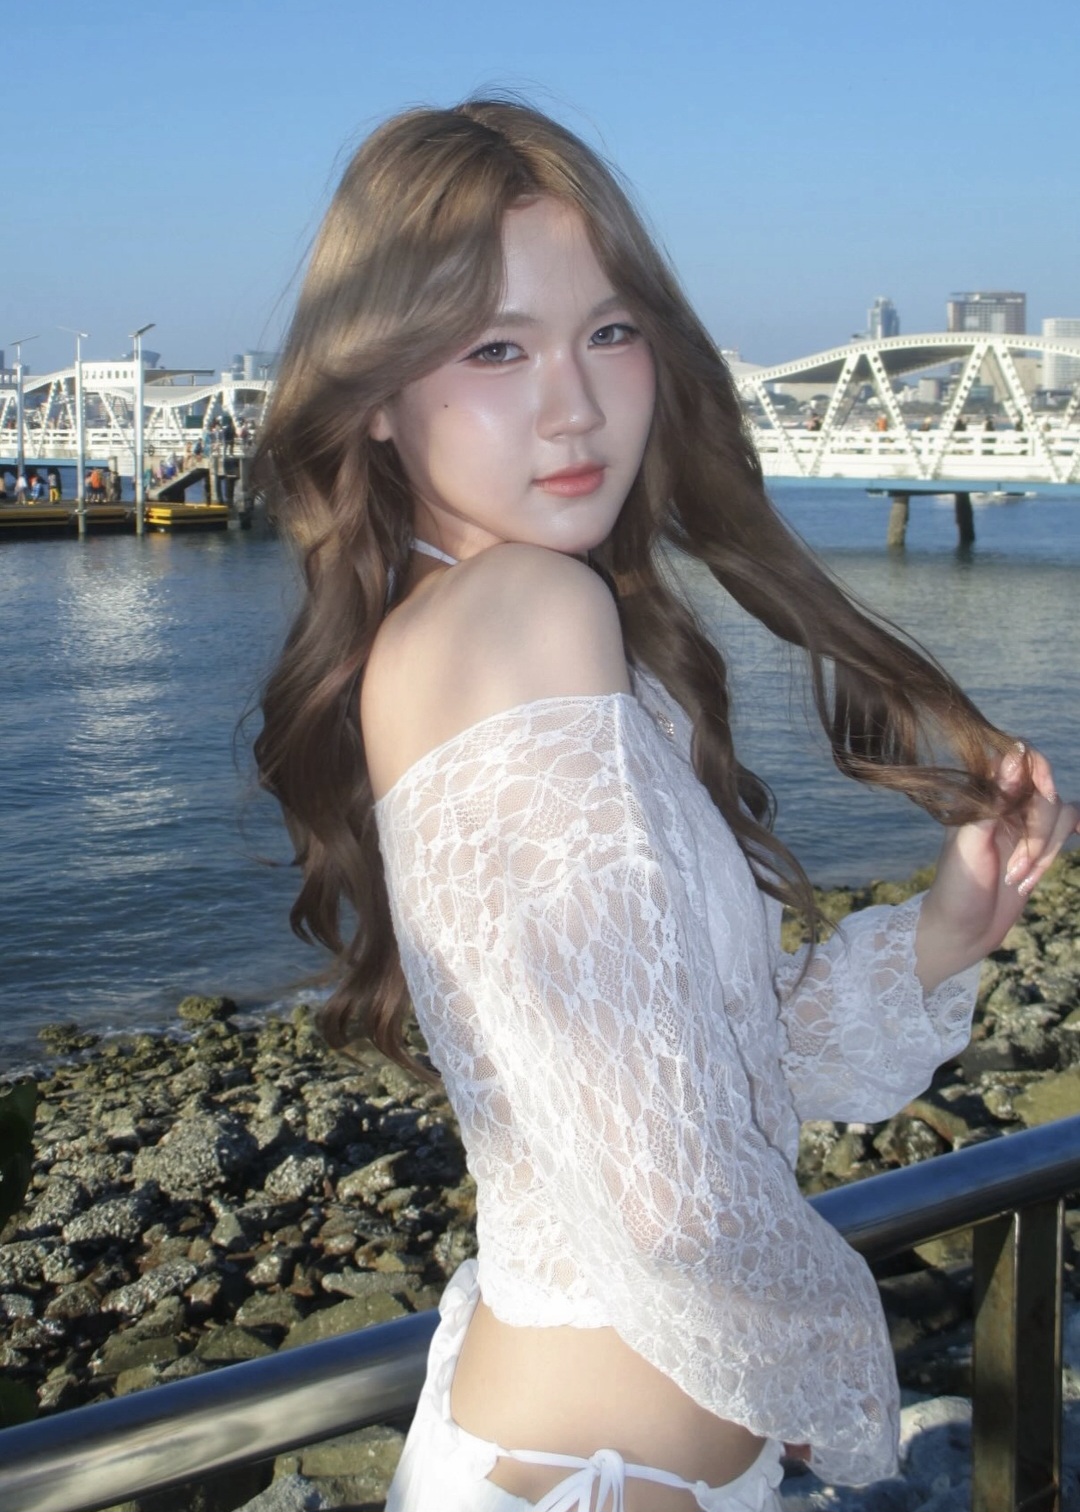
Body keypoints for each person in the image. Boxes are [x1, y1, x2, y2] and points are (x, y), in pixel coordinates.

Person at [253, 101, 1077, 1512]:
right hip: (604, 1476)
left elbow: (705, 1077)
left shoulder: (472, 628)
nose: (574, 404)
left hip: (569, 1451)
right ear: (374, 396)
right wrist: (830, 1375)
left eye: (611, 331)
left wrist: (944, 933)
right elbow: (671, 1198)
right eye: (496, 348)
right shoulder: (528, 611)